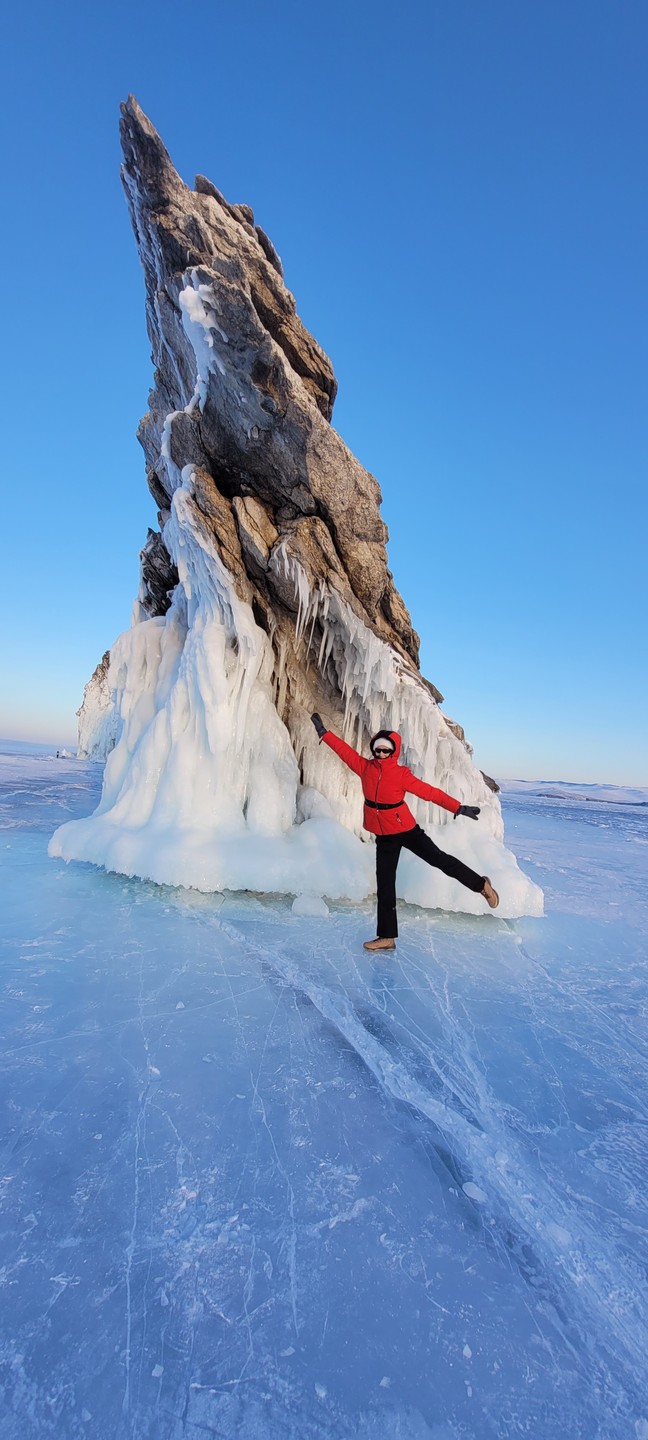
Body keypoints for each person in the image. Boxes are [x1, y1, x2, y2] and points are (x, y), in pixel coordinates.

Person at [311, 714, 499, 950]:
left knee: (441, 860)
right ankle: (387, 937)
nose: (380, 754)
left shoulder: (401, 775)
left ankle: (482, 886)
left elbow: (430, 793)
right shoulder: (365, 767)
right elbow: (345, 752)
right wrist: (324, 734)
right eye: (377, 750)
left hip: (406, 829)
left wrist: (458, 807)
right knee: (385, 885)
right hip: (384, 836)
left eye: (385, 751)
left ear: (393, 752)